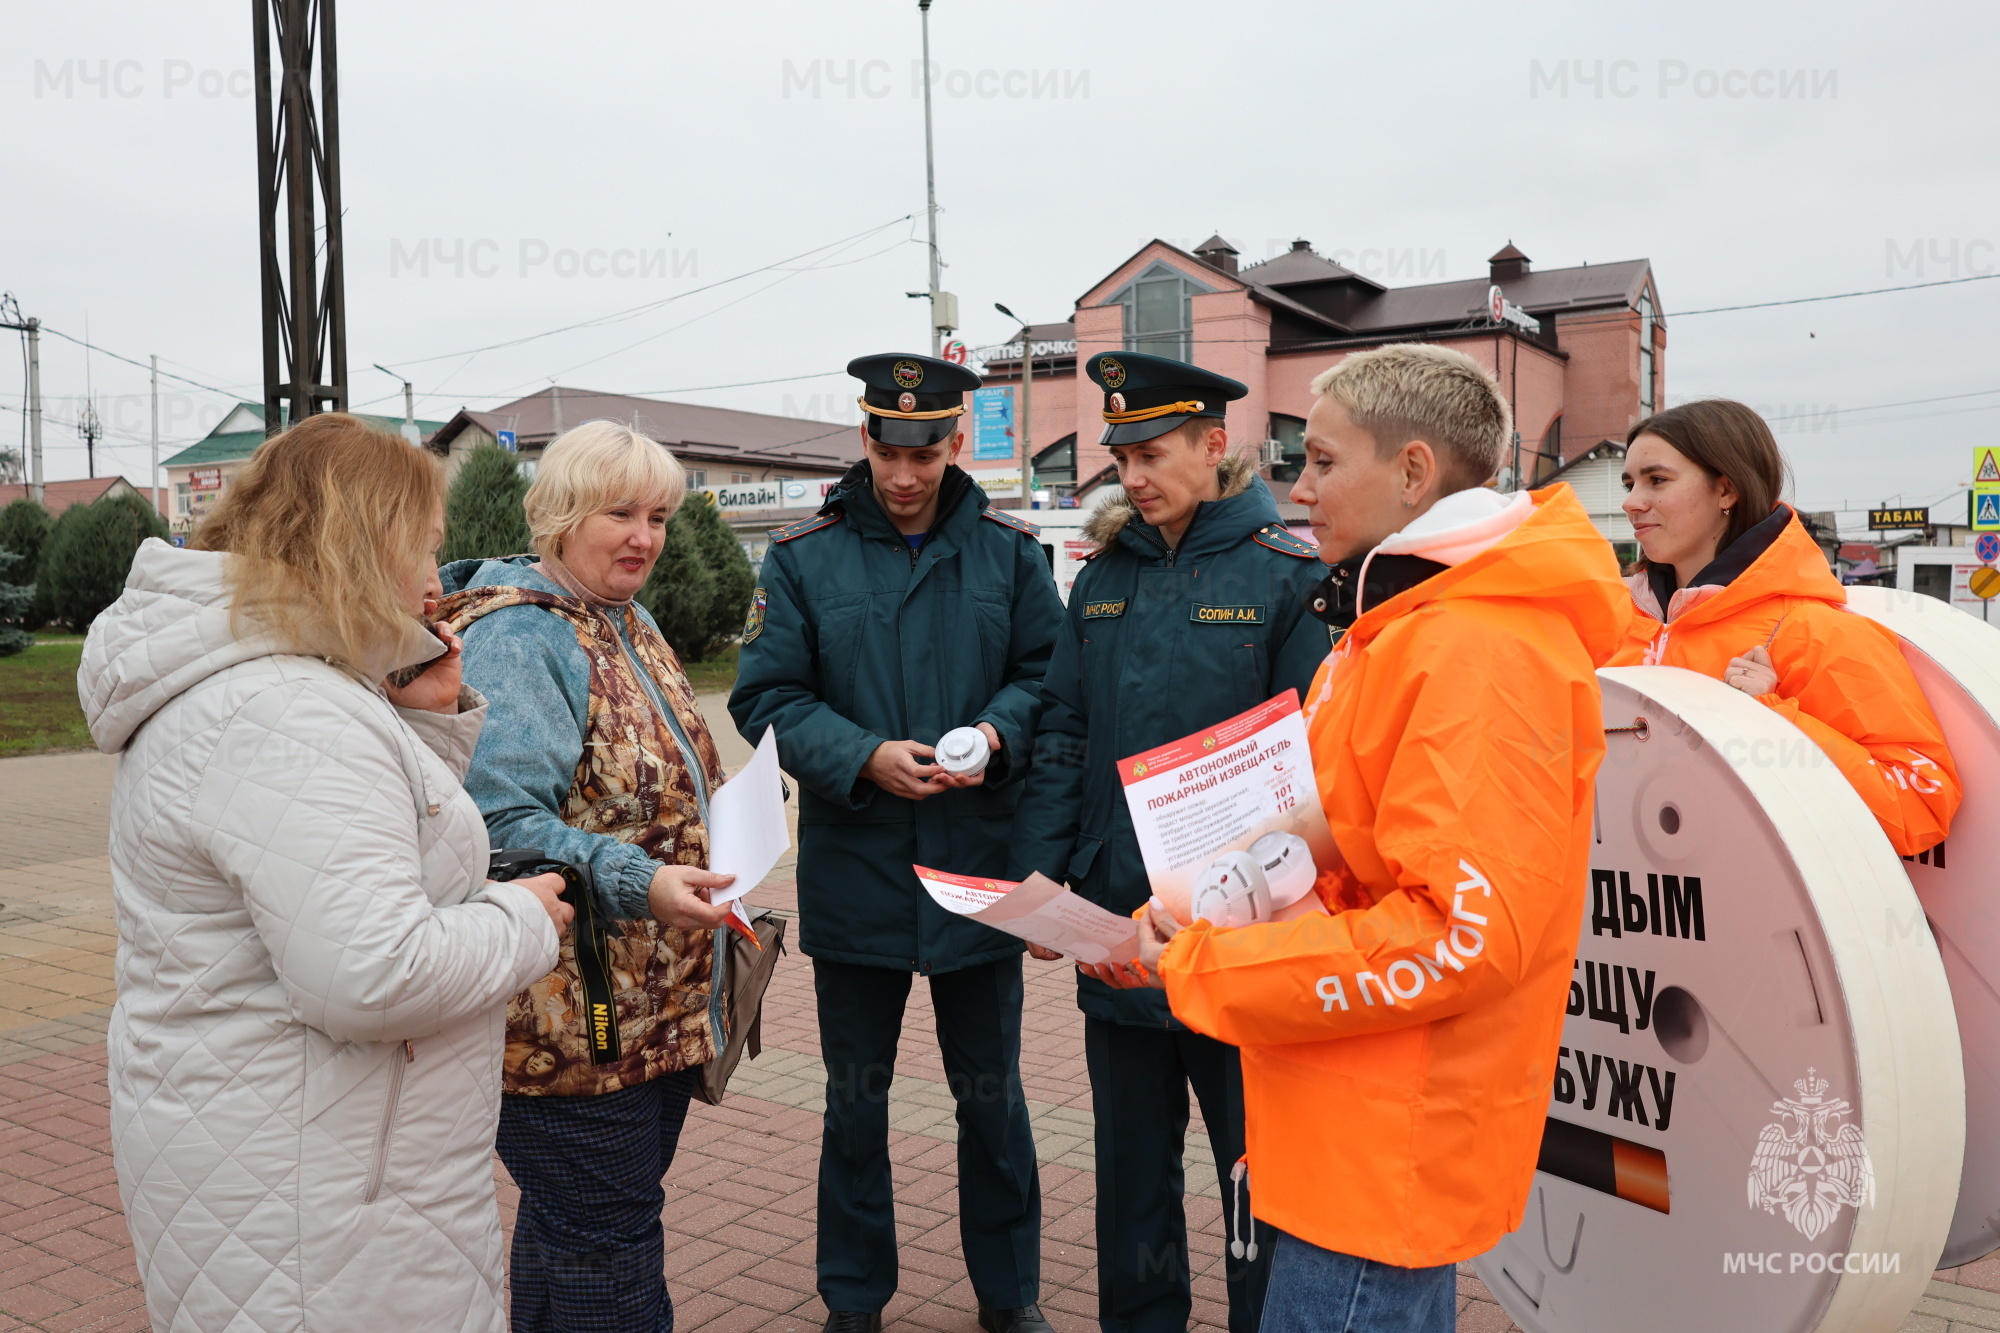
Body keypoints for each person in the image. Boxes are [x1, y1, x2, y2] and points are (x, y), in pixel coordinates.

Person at [1133, 344, 1630, 1333]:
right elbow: (1342, 830)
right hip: (1348, 1126)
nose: (1296, 486)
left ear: (1411, 471)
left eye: (1320, 461)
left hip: (1383, 1145)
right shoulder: (1396, 629)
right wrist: (1183, 906)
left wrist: (1204, 968)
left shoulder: (1473, 647)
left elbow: (1457, 937)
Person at [78, 413, 571, 1333]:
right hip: (326, 1193)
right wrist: (526, 919)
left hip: (296, 1159)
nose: (435, 583)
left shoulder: (273, 690)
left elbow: (341, 863)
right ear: (358, 541)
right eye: (422, 550)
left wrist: (419, 726)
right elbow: (372, 974)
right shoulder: (286, 712)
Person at [728, 352, 1065, 1333]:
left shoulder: (1009, 556)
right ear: (863, 438)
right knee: (853, 1107)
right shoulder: (802, 558)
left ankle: (1009, 1295)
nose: (906, 476)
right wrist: (861, 754)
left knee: (993, 1105)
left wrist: (997, 732)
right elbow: (763, 695)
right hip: (859, 873)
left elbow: (1048, 675)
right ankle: (853, 1297)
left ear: (955, 441)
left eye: (925, 453)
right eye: (887, 450)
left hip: (975, 873)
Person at [1007, 351, 1329, 1333]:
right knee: (1130, 1183)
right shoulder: (1102, 580)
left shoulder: (1289, 576)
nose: (1131, 475)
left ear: (1215, 443)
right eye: (1120, 455)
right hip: (1117, 940)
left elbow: (1317, 769)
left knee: (1254, 1183)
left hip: (1241, 942)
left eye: (1151, 452)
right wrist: (1039, 878)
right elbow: (1061, 732)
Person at [436, 420, 738, 1332]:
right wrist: (643, 879)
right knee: (607, 1249)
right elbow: (499, 824)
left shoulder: (623, 617)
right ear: (561, 516)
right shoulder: (522, 635)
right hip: (568, 1015)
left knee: (582, 1231)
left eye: (658, 514)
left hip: (642, 1006)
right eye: (619, 512)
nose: (644, 535)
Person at [1611, 398, 1959, 854]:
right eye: (1630, 482)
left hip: (1749, 918)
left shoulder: (1814, 632)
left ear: (1726, 491)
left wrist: (1774, 722)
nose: (1632, 502)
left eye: (1657, 480)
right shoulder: (1611, 617)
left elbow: (1919, 803)